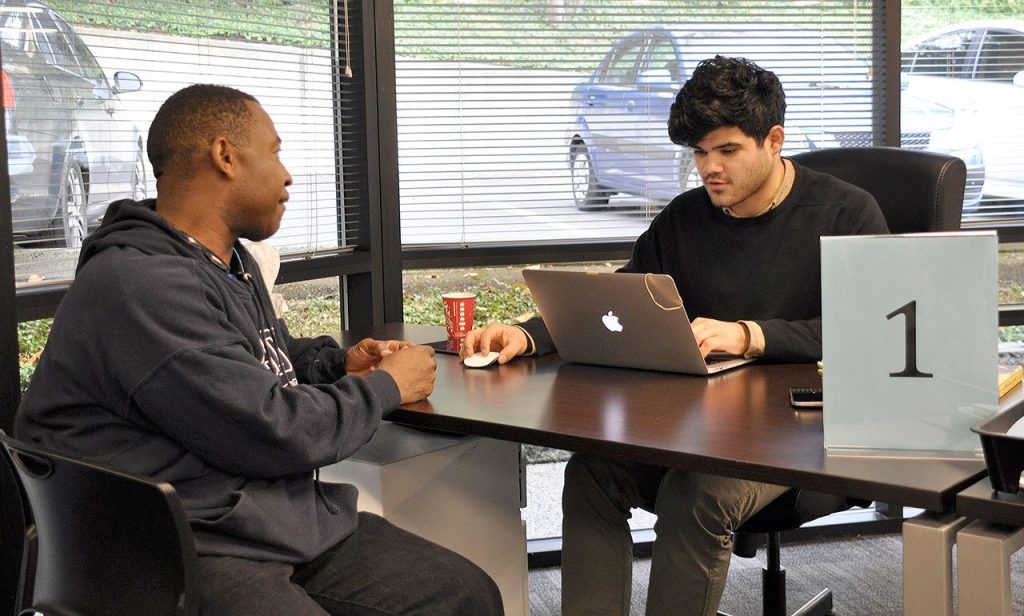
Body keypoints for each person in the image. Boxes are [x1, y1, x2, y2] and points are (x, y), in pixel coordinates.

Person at [14, 84, 503, 616]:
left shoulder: (225, 262)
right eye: (274, 153)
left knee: (464, 595)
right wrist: (387, 387)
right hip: (172, 545)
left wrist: (337, 364)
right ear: (225, 156)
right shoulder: (142, 284)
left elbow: (258, 359)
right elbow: (278, 431)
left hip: (257, 516)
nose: (287, 175)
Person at [461, 56, 889, 615]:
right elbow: (618, 305)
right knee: (591, 473)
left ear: (774, 140)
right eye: (700, 153)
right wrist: (527, 335)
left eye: (727, 150)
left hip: (805, 438)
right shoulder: (687, 217)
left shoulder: (847, 214)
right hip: (699, 430)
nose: (710, 168)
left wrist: (750, 335)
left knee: (697, 492)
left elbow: (871, 334)